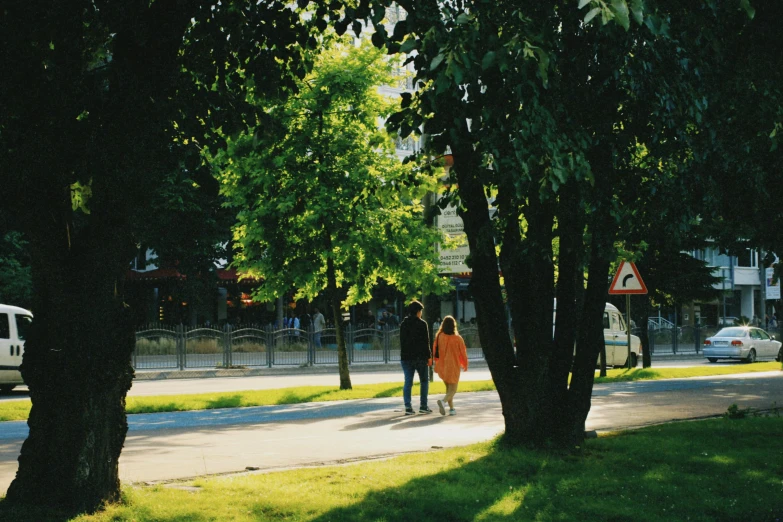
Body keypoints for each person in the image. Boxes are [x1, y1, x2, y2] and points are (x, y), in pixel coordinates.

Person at [399, 300, 432, 415]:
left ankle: (408, 407)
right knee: (424, 381)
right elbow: (425, 342)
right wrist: (429, 357)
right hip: (420, 358)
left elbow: (402, 342)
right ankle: (423, 405)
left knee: (408, 382)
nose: (421, 313)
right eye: (420, 311)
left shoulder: (403, 324)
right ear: (418, 312)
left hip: (406, 357)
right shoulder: (422, 324)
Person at [433, 315, 468, 416]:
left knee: (448, 389)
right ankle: (443, 402)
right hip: (453, 366)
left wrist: (435, 361)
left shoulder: (440, 336)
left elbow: (435, 350)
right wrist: (465, 364)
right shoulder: (458, 338)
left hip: (442, 366)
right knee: (453, 390)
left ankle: (452, 409)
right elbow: (463, 353)